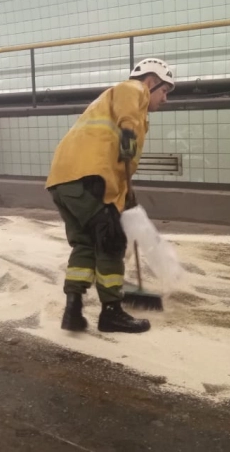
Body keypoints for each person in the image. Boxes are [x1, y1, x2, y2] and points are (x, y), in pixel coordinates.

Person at [46, 58, 174, 333]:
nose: (165, 99)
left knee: (85, 243)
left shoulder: (109, 104)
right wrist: (128, 134)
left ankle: (73, 310)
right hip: (89, 177)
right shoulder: (133, 90)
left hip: (63, 178)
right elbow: (126, 122)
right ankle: (111, 312)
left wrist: (126, 195)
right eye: (165, 91)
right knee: (112, 241)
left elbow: (117, 160)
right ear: (151, 82)